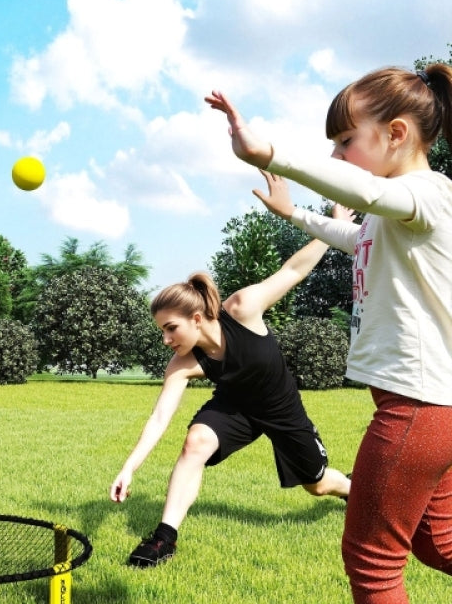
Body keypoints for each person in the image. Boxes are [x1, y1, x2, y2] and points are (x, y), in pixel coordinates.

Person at [206, 62, 452, 604]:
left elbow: (367, 192)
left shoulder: (427, 194)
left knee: (371, 556)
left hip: (416, 410)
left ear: (398, 133)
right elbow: (355, 233)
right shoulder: (390, 215)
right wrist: (295, 216)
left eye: (347, 139)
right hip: (431, 411)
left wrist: (271, 153)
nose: (340, 154)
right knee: (438, 543)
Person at [110, 171, 351, 568]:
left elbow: (294, 270)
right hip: (235, 408)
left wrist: (334, 228)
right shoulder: (183, 364)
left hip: (280, 406)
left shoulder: (242, 309)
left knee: (318, 484)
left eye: (172, 329)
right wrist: (128, 468)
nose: (167, 339)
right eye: (162, 331)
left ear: (199, 316)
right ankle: (164, 539)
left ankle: (351, 490)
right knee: (195, 444)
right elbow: (158, 420)